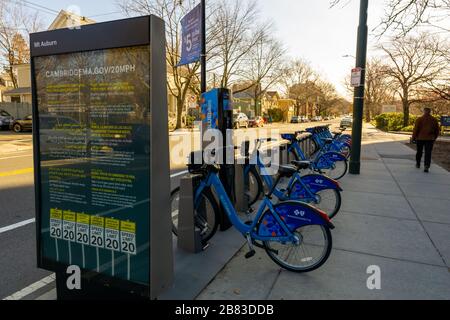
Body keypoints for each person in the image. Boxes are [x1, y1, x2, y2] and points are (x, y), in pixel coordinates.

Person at [412, 108, 440, 173]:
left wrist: (413, 138)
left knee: (419, 151)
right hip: (430, 139)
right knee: (428, 153)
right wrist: (434, 137)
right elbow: (437, 130)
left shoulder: (419, 119)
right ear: (430, 112)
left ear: (424, 111)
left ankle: (418, 163)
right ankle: (426, 166)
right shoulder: (434, 120)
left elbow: (415, 129)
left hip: (420, 138)